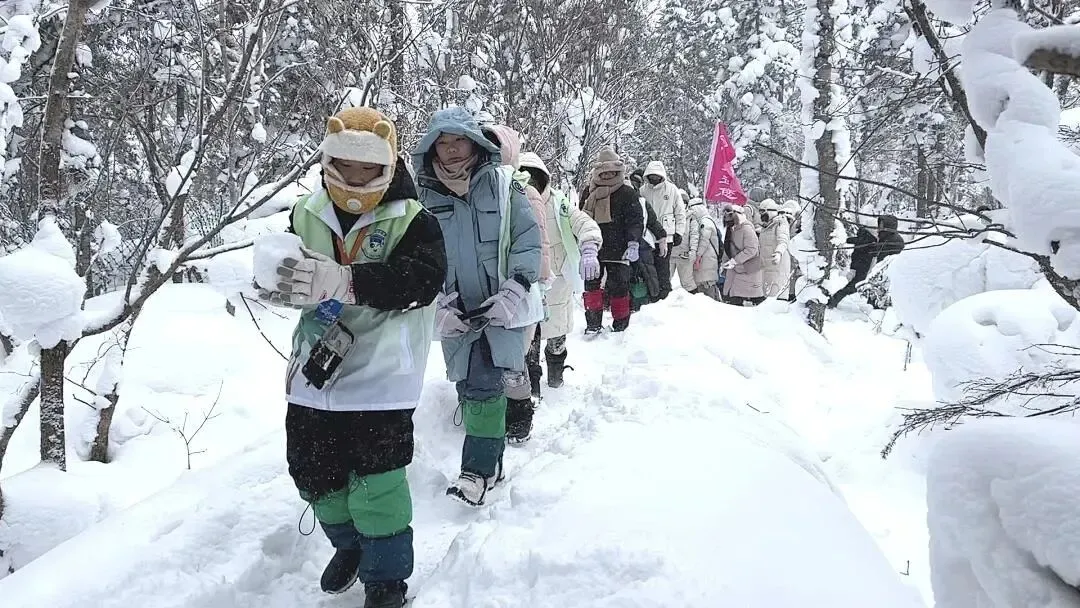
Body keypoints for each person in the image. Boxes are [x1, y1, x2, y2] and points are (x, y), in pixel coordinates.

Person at [261, 107, 446, 608]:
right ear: (328, 161)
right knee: (313, 473)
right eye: (345, 166)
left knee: (376, 481)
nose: (356, 179)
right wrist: (274, 282)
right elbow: (285, 265)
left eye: (368, 169)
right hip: (315, 369)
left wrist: (347, 281)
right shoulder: (305, 211)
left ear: (388, 164)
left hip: (383, 373)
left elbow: (424, 281)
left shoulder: (414, 219)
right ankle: (350, 546)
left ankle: (386, 580)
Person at [412, 107, 541, 507]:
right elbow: (414, 255)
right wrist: (434, 306)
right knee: (470, 387)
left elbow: (527, 238)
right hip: (455, 313)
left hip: (501, 308)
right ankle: (493, 461)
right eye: (443, 143)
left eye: (459, 141)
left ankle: (477, 472)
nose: (451, 149)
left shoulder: (504, 184)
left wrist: (515, 289)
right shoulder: (421, 197)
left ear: (474, 143)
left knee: (485, 383)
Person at [480, 124, 553, 444]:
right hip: (486, 287)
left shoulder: (522, 190)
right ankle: (490, 411)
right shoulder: (474, 188)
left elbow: (538, 241)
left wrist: (540, 279)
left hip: (520, 286)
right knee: (489, 355)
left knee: (513, 359)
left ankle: (519, 416)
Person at [519, 152, 602, 391]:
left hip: (557, 282)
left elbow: (584, 223)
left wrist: (589, 246)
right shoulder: (511, 202)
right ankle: (531, 388)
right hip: (525, 281)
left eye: (534, 179)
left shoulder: (559, 204)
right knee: (527, 341)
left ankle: (556, 377)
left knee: (556, 336)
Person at [579, 146, 644, 333]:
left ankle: (620, 325)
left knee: (620, 287)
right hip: (595, 248)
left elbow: (635, 220)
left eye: (611, 172)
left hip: (620, 248)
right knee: (591, 286)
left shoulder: (627, 192)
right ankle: (593, 324)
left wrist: (633, 242)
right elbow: (581, 219)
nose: (607, 175)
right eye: (603, 172)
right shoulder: (589, 192)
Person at [639, 161, 686, 300]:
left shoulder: (671, 190)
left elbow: (680, 212)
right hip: (648, 237)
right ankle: (652, 295)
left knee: (663, 268)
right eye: (651, 175)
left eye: (657, 175)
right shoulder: (643, 190)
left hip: (667, 236)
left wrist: (679, 232)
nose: (654, 178)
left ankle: (664, 295)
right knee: (649, 268)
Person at [827, 214, 878, 308]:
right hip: (862, 265)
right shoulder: (870, 239)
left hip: (858, 264)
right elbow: (859, 242)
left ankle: (834, 300)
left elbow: (854, 241)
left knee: (856, 285)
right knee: (855, 286)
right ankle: (833, 301)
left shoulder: (865, 236)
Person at [720, 203, 765, 306]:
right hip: (737, 269)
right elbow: (728, 247)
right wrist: (726, 262)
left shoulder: (747, 229)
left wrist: (735, 260)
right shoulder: (733, 229)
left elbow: (752, 249)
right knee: (733, 298)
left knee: (743, 299)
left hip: (747, 269)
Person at [683, 197, 721, 301]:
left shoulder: (705, 222)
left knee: (707, 287)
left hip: (706, 261)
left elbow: (704, 240)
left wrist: (698, 256)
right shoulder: (704, 220)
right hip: (706, 260)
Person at [758, 199, 791, 298]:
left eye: (763, 211)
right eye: (760, 211)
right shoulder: (765, 227)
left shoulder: (781, 224)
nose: (761, 214)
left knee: (777, 294)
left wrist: (778, 253)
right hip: (767, 266)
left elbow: (783, 240)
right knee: (767, 295)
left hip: (778, 266)